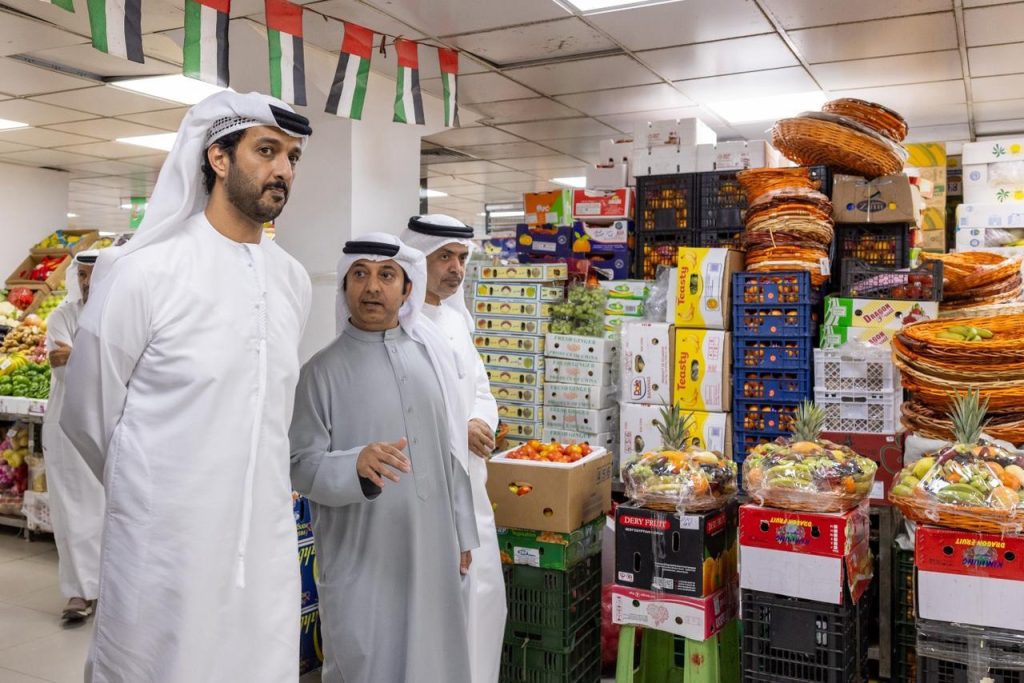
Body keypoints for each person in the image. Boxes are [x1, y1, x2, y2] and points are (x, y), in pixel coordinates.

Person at [59, 91, 313, 683]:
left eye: (292, 157)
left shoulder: (293, 280)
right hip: (165, 548)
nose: (283, 169)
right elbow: (89, 414)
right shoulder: (144, 272)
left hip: (262, 542)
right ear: (218, 158)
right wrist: (156, 495)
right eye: (267, 151)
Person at [289, 233, 479, 683]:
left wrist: (463, 531)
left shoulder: (430, 358)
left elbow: (450, 451)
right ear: (345, 286)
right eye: (360, 274)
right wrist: (352, 465)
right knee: (368, 661)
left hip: (434, 546)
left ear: (407, 288)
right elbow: (299, 464)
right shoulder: (319, 372)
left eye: (386, 275)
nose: (372, 287)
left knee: (435, 659)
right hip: (362, 558)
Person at [400, 214, 506, 683]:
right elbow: (398, 406)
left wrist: (480, 419)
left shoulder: (457, 320)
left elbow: (481, 388)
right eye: (444, 256)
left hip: (473, 490)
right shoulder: (400, 326)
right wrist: (454, 430)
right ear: (418, 259)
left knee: (484, 600)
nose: (456, 269)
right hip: (427, 495)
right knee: (435, 614)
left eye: (462, 258)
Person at [42, 249, 104, 622]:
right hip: (65, 426)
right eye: (80, 275)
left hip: (110, 424)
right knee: (72, 510)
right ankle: (79, 592)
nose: (86, 282)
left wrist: (79, 356)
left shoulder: (120, 316)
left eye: (92, 274)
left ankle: (109, 590)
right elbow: (62, 367)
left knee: (108, 510)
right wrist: (102, 361)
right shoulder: (61, 316)